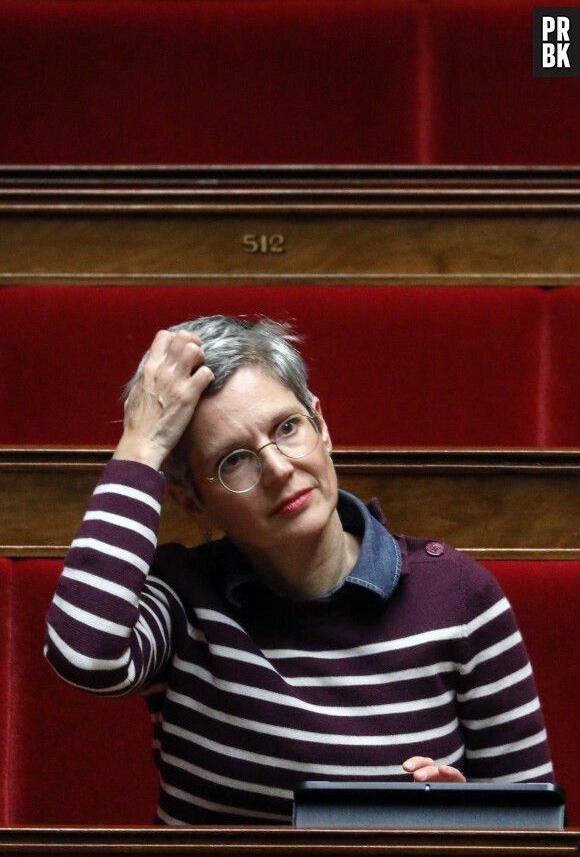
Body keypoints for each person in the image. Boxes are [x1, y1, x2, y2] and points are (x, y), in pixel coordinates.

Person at [44, 315, 554, 826]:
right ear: (194, 504)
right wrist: (142, 444)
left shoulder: (459, 597)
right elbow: (85, 657)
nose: (280, 469)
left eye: (287, 428)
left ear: (322, 426)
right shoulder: (182, 594)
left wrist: (463, 825)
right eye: (234, 460)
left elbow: (533, 830)